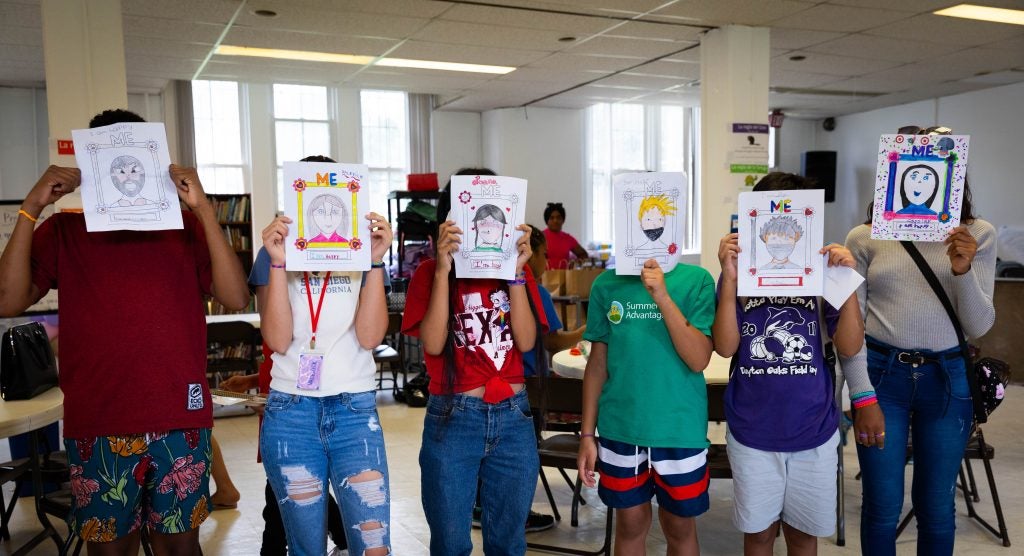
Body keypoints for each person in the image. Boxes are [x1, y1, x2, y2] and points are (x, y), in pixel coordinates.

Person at [0, 108, 250, 554]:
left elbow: (235, 297)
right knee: (111, 549)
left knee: (181, 546)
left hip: (179, 415)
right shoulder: (65, 229)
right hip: (99, 420)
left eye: (137, 160)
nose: (127, 173)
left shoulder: (185, 226)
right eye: (113, 162)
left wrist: (204, 209)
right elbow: (8, 299)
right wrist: (31, 207)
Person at [847, 126, 996, 556]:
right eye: (910, 172)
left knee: (936, 506)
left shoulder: (976, 234)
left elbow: (980, 324)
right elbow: (850, 327)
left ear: (949, 177)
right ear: (892, 174)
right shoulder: (865, 236)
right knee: (881, 505)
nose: (918, 180)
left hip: (947, 378)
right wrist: (860, 395)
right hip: (881, 375)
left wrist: (963, 269)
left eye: (929, 174)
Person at [712, 172, 872, 556]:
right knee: (760, 536)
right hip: (752, 429)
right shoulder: (738, 276)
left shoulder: (823, 271)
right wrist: (730, 280)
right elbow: (725, 346)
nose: (782, 238)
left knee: (803, 537)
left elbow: (850, 345)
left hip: (812, 430)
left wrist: (847, 280)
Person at [252, 155, 393, 555]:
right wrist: (279, 263)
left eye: (336, 206)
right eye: (317, 205)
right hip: (292, 410)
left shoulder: (360, 250)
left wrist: (377, 259)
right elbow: (278, 340)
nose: (328, 214)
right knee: (306, 548)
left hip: (353, 409)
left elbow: (369, 337)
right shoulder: (276, 251)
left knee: (373, 545)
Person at [402, 168, 548, 555]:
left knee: (508, 541)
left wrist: (517, 276)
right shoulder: (429, 274)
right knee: (451, 542)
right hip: (454, 415)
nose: (484, 224)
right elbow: (433, 344)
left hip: (513, 415)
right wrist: (443, 270)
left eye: (493, 215)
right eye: (475, 216)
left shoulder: (517, 272)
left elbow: (528, 340)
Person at [576, 252, 717, 554]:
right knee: (630, 522)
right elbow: (597, 365)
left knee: (680, 526)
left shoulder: (697, 280)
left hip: (680, 429)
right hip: (621, 428)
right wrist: (587, 435)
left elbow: (698, 359)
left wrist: (662, 296)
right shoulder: (606, 284)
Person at [219, 343, 348, 555]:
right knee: (298, 490)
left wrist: (283, 403)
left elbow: (311, 375)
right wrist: (250, 381)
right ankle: (344, 540)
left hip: (292, 428)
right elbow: (278, 368)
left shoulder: (295, 330)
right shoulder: (272, 336)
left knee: (282, 496)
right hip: (276, 425)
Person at [543, 202, 588, 269]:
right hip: (544, 278)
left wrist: (575, 264)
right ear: (547, 221)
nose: (555, 220)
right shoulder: (540, 237)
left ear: (563, 220)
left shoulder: (568, 238)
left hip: (565, 278)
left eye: (558, 217)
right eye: (552, 218)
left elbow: (583, 255)